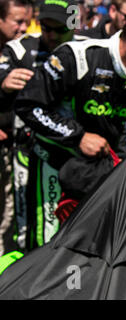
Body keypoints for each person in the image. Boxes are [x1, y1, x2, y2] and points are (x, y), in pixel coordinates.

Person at [13, 0, 126, 249]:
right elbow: (28, 105)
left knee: (94, 251)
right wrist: (78, 136)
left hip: (102, 175)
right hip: (54, 166)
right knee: (45, 249)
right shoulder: (77, 56)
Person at [0, 0, 79, 252]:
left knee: (67, 225)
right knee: (26, 227)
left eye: (59, 28)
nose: (52, 35)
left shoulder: (84, 49)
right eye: (46, 27)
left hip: (73, 154)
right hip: (27, 153)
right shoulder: (19, 49)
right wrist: (2, 84)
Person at [0, 0, 34, 256]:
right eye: (18, 21)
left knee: (10, 218)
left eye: (27, 21)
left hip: (14, 150)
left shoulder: (23, 52)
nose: (24, 28)